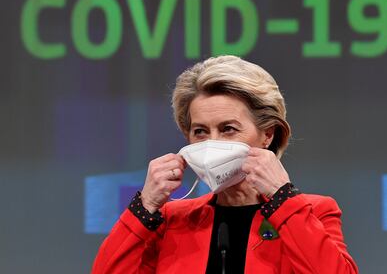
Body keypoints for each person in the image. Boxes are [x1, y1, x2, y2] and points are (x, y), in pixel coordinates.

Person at [92, 55, 359, 274]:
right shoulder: (173, 220)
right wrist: (146, 205)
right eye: (200, 131)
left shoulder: (314, 212)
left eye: (228, 129)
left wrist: (283, 197)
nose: (212, 142)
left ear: (267, 135)